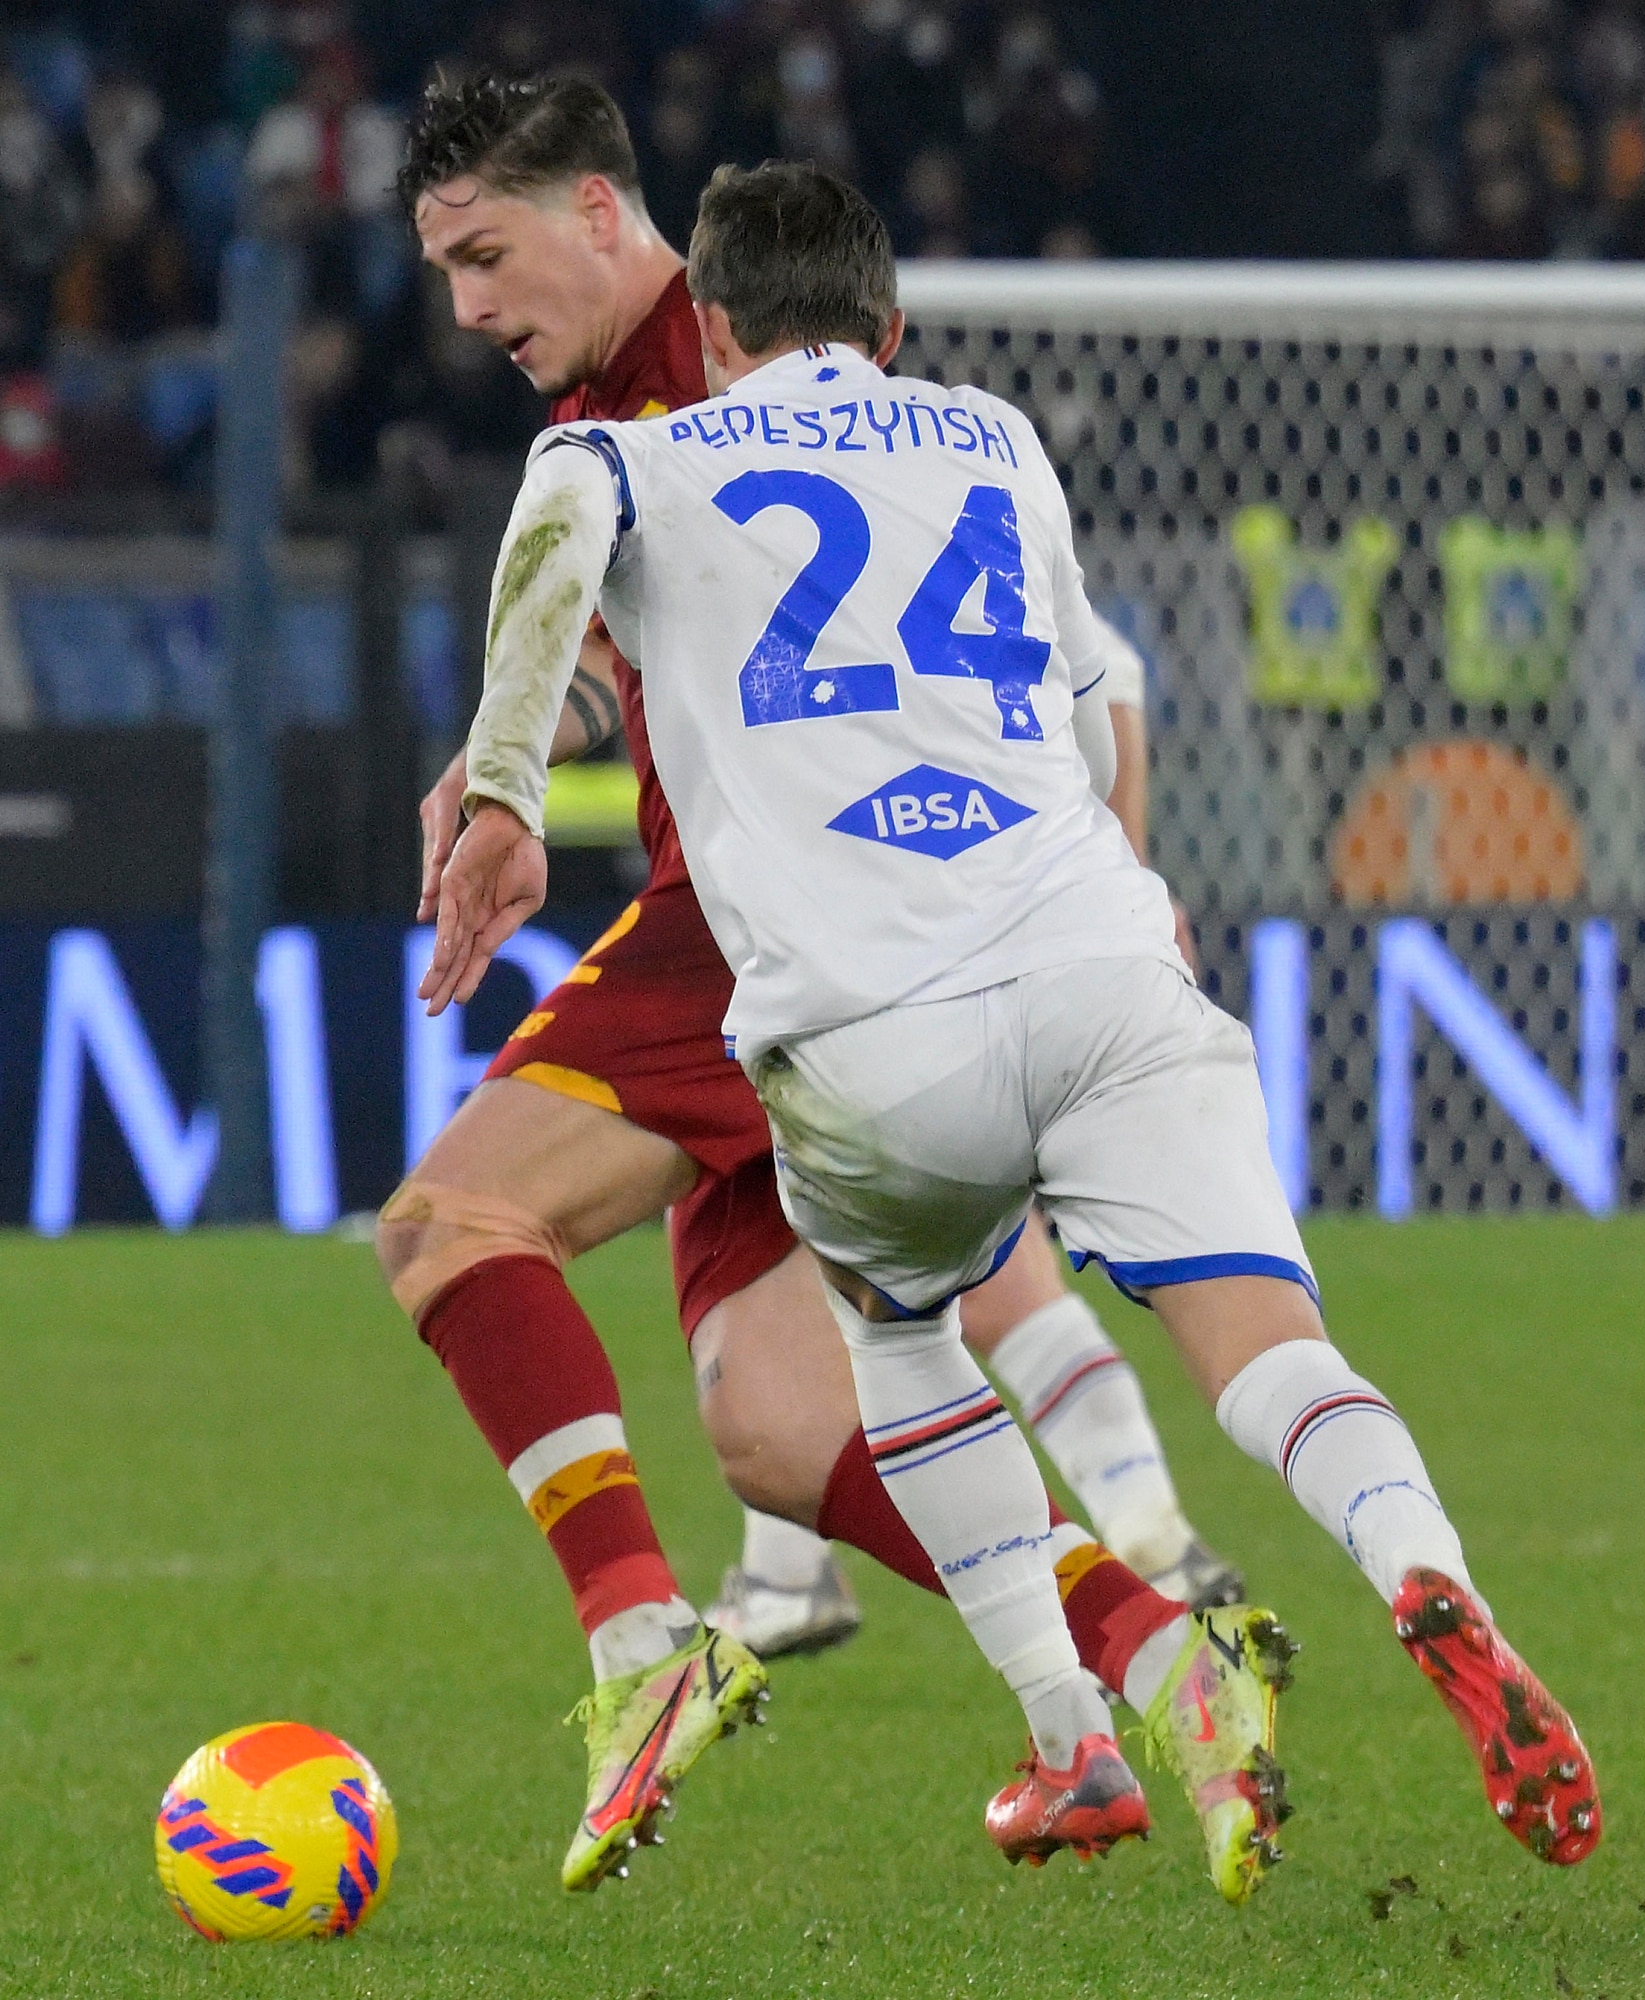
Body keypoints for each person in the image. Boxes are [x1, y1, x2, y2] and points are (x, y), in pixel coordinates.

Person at [422, 157, 1601, 1878]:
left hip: (869, 1030)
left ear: (715, 327)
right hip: (1102, 963)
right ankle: (1427, 1576)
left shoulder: (632, 455)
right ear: (892, 328)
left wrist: (505, 790)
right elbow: (1096, 703)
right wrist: (1130, 885)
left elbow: (549, 552)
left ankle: (1066, 1736)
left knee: (906, 1351)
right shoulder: (996, 440)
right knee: (1276, 1356)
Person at [387, 73, 1277, 1902]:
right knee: (781, 1430)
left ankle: (641, 1647)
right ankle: (1156, 1659)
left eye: (484, 255)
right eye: (443, 272)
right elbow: (642, 641)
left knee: (451, 1224)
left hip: (782, 934)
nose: (466, 308)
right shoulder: (638, 398)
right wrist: (506, 753)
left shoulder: (727, 365)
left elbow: (1081, 667)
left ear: (600, 213)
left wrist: (1101, 880)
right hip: (846, 941)